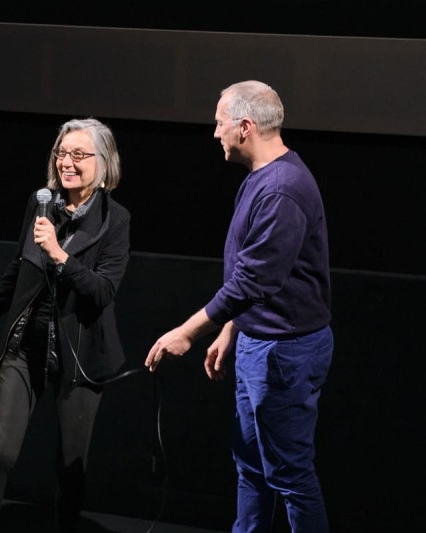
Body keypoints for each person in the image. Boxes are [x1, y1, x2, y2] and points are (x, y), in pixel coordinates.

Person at [145, 80, 333, 532]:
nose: (215, 132)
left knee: (289, 474)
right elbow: (256, 272)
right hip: (259, 342)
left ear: (245, 126)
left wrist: (189, 332)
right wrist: (233, 328)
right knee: (250, 463)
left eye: (220, 122)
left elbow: (255, 279)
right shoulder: (261, 178)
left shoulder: (282, 190)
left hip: (284, 352)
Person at [0, 117, 131, 533]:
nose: (67, 162)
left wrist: (60, 255)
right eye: (61, 153)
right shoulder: (41, 202)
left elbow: (103, 291)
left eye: (79, 154)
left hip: (80, 358)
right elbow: (18, 269)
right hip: (26, 347)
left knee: (71, 466)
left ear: (103, 162)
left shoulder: (115, 219)